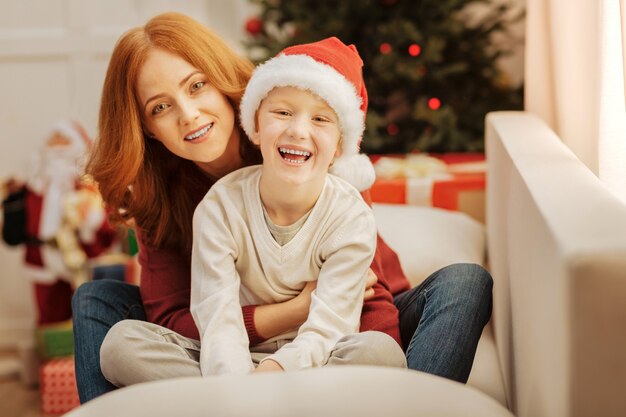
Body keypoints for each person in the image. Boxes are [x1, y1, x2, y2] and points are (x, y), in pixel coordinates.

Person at [72, 11, 492, 403]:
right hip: (223, 349)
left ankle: (401, 408)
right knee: (95, 300)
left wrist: (350, 354)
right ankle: (251, 404)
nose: (188, 114)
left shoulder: (299, 142)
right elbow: (173, 319)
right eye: (160, 107)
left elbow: (364, 295)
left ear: (221, 79)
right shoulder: (162, 195)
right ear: (145, 125)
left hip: (343, 322)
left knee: (463, 285)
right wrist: (290, 313)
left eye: (197, 85)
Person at [1, 120, 117, 325]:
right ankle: (52, 352)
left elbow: (105, 224)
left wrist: (89, 216)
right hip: (41, 257)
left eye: (63, 141)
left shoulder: (89, 186)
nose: (57, 147)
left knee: (86, 308)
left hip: (80, 257)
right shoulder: (35, 184)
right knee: (48, 310)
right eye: (53, 141)